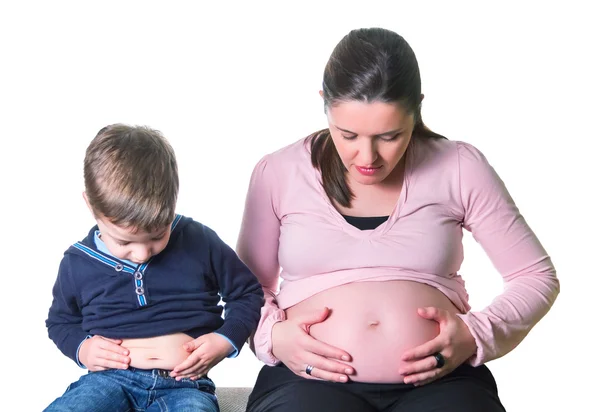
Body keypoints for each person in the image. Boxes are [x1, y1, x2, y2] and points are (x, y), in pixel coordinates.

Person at [237, 27, 559, 412]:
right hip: (306, 380)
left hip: (442, 381)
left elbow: (536, 277)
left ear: (417, 108)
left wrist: (476, 334)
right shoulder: (278, 171)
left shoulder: (458, 166)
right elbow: (243, 286)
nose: (367, 157)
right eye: (348, 134)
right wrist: (273, 335)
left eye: (389, 136)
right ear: (325, 103)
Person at [45, 124, 264, 412]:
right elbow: (61, 321)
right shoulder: (77, 262)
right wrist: (82, 348)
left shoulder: (199, 240)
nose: (141, 253)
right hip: (108, 381)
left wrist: (225, 339)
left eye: (157, 237)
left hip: (186, 384)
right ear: (91, 205)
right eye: (124, 241)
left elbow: (246, 292)